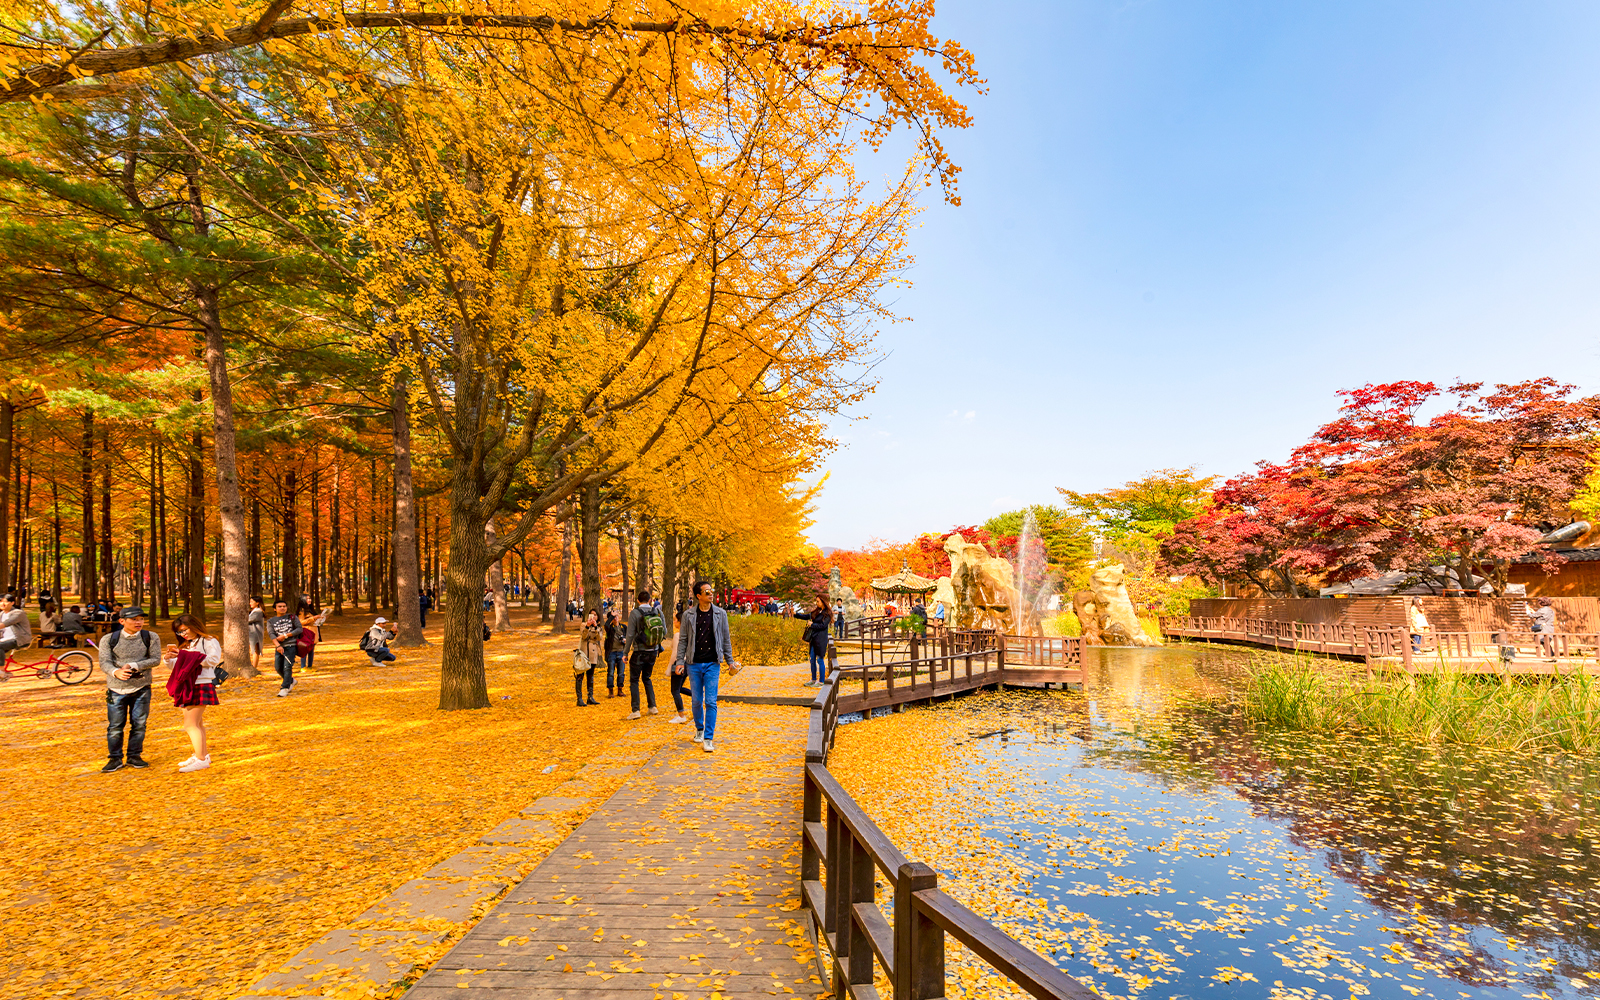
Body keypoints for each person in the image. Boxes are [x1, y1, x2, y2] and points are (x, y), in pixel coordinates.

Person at [671, 580, 740, 752]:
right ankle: (699, 728)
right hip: (693, 664)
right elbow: (683, 640)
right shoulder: (688, 615)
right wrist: (680, 662)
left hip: (712, 664)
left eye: (711, 591)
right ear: (698, 596)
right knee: (696, 701)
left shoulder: (720, 614)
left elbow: (725, 639)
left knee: (710, 701)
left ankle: (708, 738)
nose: (711, 594)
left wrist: (730, 661)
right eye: (707, 592)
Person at [98, 606, 161, 772]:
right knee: (115, 726)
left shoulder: (151, 637)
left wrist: (134, 665)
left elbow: (155, 659)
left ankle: (134, 756)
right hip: (116, 689)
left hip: (141, 688)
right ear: (122, 621)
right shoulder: (108, 639)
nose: (138, 622)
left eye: (141, 619)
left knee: (139, 724)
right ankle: (115, 758)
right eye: (134, 619)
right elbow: (104, 662)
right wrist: (116, 672)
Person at [164, 613, 222, 773]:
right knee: (197, 724)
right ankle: (201, 755)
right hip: (186, 684)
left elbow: (213, 660)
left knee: (190, 725)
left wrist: (187, 657)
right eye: (180, 632)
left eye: (185, 630)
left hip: (201, 683)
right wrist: (169, 658)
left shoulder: (209, 640)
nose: (183, 634)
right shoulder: (185, 645)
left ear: (194, 625)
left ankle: (201, 759)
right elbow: (177, 667)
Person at [626, 589, 665, 721]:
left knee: (634, 680)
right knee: (647, 678)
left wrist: (625, 653)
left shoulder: (635, 613)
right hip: (653, 651)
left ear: (638, 600)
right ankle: (652, 706)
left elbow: (630, 634)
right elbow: (664, 631)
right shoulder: (658, 612)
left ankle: (636, 710)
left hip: (639, 651)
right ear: (649, 600)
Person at [267, 599, 302, 697]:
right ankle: (291, 681)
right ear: (275, 609)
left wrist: (286, 636)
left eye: (284, 606)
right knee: (278, 668)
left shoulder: (292, 617)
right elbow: (271, 634)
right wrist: (277, 645)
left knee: (287, 667)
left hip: (291, 645)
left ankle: (284, 688)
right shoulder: (271, 621)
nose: (282, 608)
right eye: (280, 606)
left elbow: (299, 629)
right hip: (279, 647)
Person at [805, 596, 832, 687]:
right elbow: (807, 616)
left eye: (818, 601)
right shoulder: (817, 611)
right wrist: (795, 614)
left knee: (820, 660)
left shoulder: (827, 613)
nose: (817, 603)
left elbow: (823, 626)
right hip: (813, 639)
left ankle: (821, 681)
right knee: (812, 659)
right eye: (816, 601)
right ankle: (813, 679)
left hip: (821, 640)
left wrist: (812, 624)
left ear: (823, 602)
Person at [577, 611, 602, 707]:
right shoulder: (583, 625)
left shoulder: (598, 627)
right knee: (580, 676)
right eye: (591, 614)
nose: (593, 616)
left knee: (590, 676)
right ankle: (579, 699)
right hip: (583, 652)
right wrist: (587, 626)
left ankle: (590, 697)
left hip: (593, 653)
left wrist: (595, 627)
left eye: (595, 615)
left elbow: (599, 638)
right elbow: (584, 636)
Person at [0, 592, 32, 664]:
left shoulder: (18, 613)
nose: (2, 604)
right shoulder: (1, 614)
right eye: (0, 602)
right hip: (5, 639)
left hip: (18, 639)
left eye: (5, 601)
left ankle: (1, 670)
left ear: (12, 603)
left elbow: (8, 623)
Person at [604, 609, 627, 698]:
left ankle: (620, 690)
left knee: (621, 672)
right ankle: (611, 691)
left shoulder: (623, 627)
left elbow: (629, 637)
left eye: (616, 616)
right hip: (612, 653)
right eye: (613, 617)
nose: (615, 618)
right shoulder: (609, 628)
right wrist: (611, 616)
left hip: (621, 652)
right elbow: (606, 625)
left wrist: (625, 641)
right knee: (610, 672)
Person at [296, 603, 325, 674]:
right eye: (307, 598)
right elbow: (301, 622)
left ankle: (310, 666)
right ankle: (303, 667)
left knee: (311, 651)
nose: (309, 600)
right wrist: (313, 618)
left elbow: (317, 623)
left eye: (310, 598)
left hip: (314, 632)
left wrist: (322, 618)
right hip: (306, 633)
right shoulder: (301, 612)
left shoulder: (311, 610)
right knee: (305, 650)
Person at [1531, 597, 1557, 661]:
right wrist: (1533, 612)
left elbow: (1532, 616)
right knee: (1546, 642)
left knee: (1543, 642)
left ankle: (1550, 656)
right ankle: (1551, 656)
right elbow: (1542, 616)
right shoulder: (1551, 610)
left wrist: (1527, 611)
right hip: (1549, 628)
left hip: (1543, 629)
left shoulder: (1542, 610)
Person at [248, 596, 266, 674]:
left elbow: (248, 620)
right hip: (251, 632)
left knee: (255, 650)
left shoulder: (258, 611)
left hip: (255, 633)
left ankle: (254, 667)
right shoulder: (254, 611)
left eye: (252, 602)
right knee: (253, 650)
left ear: (257, 603)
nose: (250, 603)